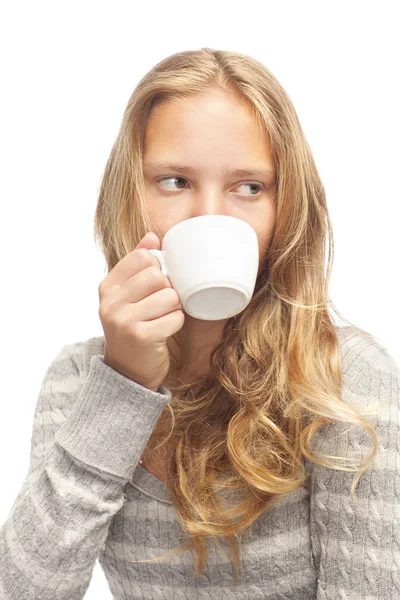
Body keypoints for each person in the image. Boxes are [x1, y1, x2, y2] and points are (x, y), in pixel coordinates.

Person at [0, 47, 399, 600]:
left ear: (286, 210)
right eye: (174, 181)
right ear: (128, 197)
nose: (209, 215)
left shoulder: (344, 377)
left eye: (249, 187)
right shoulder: (78, 379)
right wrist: (122, 386)